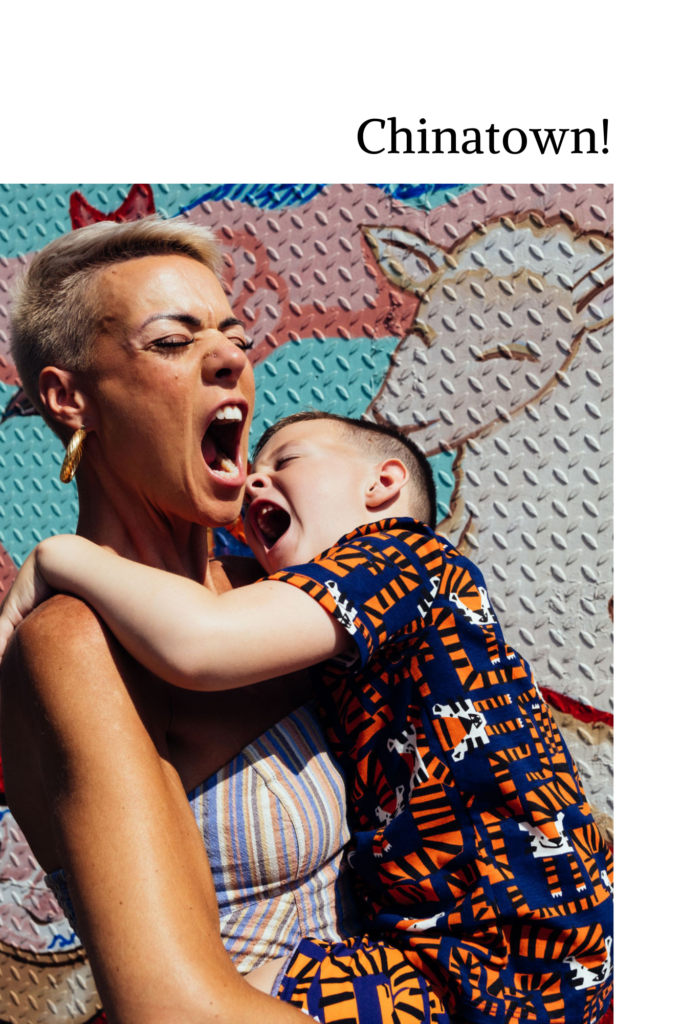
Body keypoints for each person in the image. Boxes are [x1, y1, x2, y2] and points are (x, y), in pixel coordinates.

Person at [0, 409, 615, 1024]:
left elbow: (202, 642)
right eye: (255, 472)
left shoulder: (404, 554)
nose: (253, 484)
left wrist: (58, 558)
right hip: (448, 957)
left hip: (521, 953)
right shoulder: (339, 649)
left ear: (383, 486)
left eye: (285, 462)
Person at [0, 217, 377, 1024]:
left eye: (233, 335)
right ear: (70, 398)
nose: (233, 360)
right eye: (172, 342)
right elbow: (174, 1009)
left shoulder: (275, 595)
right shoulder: (74, 643)